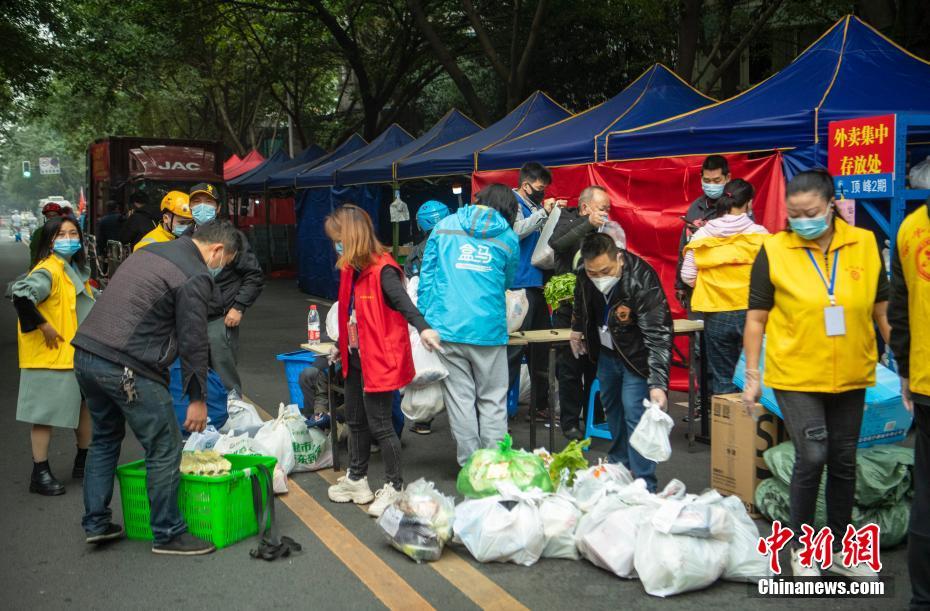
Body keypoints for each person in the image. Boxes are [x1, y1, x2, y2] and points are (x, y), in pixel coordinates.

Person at [742, 169, 890, 579]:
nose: (801, 220)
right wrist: (752, 375)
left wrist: (908, 367)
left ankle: (842, 549)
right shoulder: (774, 248)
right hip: (795, 373)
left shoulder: (864, 242)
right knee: (813, 455)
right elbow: (756, 319)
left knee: (844, 460)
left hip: (852, 371)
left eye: (809, 212)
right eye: (793, 213)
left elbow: (881, 309)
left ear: (830, 206)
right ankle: (802, 547)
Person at [72, 220, 241, 555]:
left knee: (104, 440)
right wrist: (197, 399)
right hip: (126, 367)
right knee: (164, 447)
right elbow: (194, 340)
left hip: (86, 355)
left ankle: (96, 523)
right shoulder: (195, 273)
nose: (220, 269)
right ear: (218, 250)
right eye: (225, 262)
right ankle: (168, 533)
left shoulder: (149, 252)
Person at [324, 205, 441, 518]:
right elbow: (353, 313)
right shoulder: (355, 269)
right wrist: (341, 345)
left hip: (380, 358)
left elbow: (405, 305)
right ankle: (357, 478)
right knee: (355, 419)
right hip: (356, 356)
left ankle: (394, 487)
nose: (335, 245)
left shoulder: (383, 269)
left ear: (351, 237)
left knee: (381, 426)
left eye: (338, 239)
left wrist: (424, 328)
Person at [419, 184, 520, 466]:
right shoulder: (509, 238)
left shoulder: (444, 227)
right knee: (492, 399)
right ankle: (496, 464)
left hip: (447, 329)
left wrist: (422, 321)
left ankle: (470, 464)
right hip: (488, 331)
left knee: (460, 398)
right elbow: (507, 281)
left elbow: (427, 276)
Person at [570, 233, 672, 492]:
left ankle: (644, 483)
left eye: (605, 271)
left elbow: (658, 333)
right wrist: (577, 329)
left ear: (619, 257)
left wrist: (658, 383)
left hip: (636, 358)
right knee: (612, 411)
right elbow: (581, 302)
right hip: (606, 354)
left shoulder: (641, 279)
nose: (599, 277)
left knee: (634, 414)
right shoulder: (585, 273)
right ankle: (618, 468)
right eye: (593, 272)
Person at [13, 216, 95, 496]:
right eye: (62, 234)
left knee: (84, 409)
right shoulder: (48, 269)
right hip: (49, 357)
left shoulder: (73, 269)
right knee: (43, 416)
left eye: (74, 233)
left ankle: (84, 462)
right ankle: (40, 473)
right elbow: (21, 296)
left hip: (74, 354)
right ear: (50, 241)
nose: (70, 238)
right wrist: (43, 325)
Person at [680, 179, 769, 394]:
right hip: (753, 312)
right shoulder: (761, 235)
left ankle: (726, 425)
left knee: (723, 378)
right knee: (756, 375)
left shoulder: (703, 234)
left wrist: (712, 284)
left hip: (716, 312)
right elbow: (772, 274)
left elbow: (687, 275)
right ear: (748, 203)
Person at [888, 197, 930, 606]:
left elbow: (899, 314)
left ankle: (922, 598)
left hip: (924, 378)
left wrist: (904, 371)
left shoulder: (910, 229)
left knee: (926, 495)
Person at [186, 183, 264, 399]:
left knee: (224, 376)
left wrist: (238, 307)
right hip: (189, 319)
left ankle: (233, 420)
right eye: (197, 202)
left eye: (209, 202)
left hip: (221, 320)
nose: (203, 207)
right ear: (189, 206)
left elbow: (254, 275)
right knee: (190, 377)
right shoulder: (184, 238)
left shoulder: (232, 237)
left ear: (218, 208)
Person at [547, 185, 611, 439]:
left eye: (607, 209)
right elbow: (557, 243)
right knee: (570, 370)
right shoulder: (567, 219)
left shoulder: (605, 229)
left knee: (595, 367)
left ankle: (595, 417)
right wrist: (587, 224)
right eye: (602, 208)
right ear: (585, 207)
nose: (606, 213)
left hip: (598, 310)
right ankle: (570, 423)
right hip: (568, 309)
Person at [508, 162, 562, 421]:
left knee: (542, 347)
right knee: (515, 349)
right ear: (526, 184)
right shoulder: (512, 202)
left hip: (539, 284)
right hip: (519, 285)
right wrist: (543, 213)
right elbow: (516, 231)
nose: (542, 192)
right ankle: (503, 411)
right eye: (539, 188)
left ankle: (540, 405)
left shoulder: (534, 205)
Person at [404, 199, 451, 435]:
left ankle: (423, 419)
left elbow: (411, 285)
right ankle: (462, 418)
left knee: (428, 367)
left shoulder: (416, 253)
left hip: (426, 318)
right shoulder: (457, 244)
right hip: (455, 316)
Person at [675, 155, 731, 310]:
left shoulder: (735, 208)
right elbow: (684, 247)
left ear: (728, 178)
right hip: (695, 286)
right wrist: (680, 284)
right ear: (701, 178)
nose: (711, 185)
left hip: (725, 289)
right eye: (707, 181)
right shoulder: (695, 207)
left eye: (717, 180)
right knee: (697, 331)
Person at [29, 202, 64, 267]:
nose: (51, 218)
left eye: (54, 216)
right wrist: (33, 267)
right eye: (48, 216)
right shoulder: (38, 232)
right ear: (45, 218)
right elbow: (34, 251)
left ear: (60, 217)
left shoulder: (66, 230)